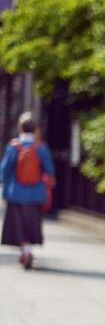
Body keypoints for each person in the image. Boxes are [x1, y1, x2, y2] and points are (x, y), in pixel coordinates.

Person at [0, 111, 56, 269]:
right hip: (36, 194)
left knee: (19, 226)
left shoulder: (14, 147)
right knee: (32, 225)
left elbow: (4, 170)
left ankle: (24, 251)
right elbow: (49, 170)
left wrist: (5, 188)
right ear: (36, 129)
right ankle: (29, 250)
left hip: (16, 194)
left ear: (20, 128)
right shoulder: (41, 148)